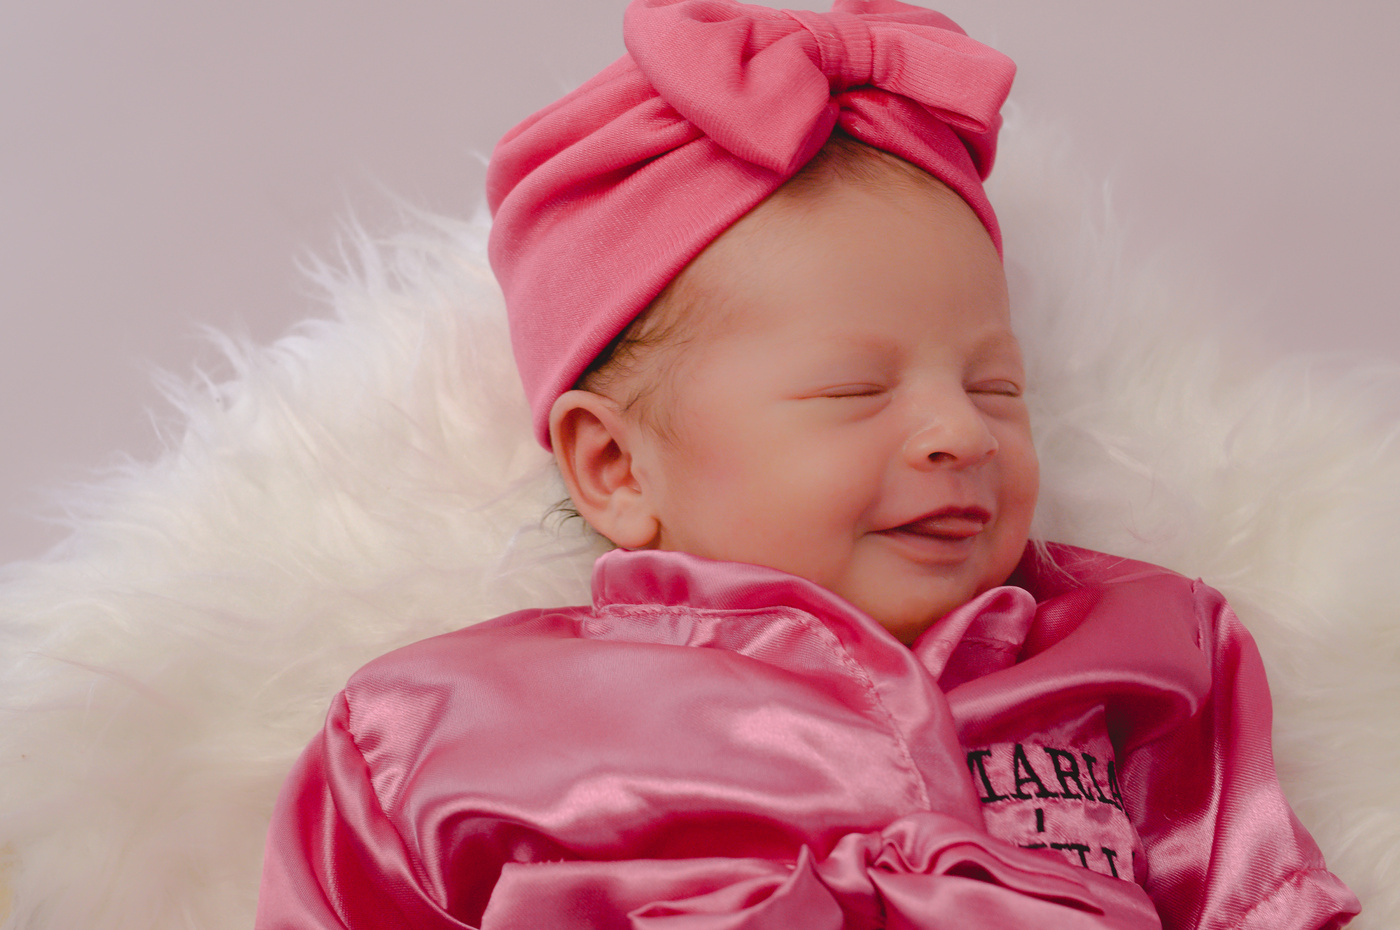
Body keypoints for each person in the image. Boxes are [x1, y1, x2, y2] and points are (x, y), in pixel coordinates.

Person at [254, 0, 1360, 926]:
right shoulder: (446, 730)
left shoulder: (1138, 651)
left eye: (996, 387)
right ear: (616, 467)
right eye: (854, 391)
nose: (963, 433)